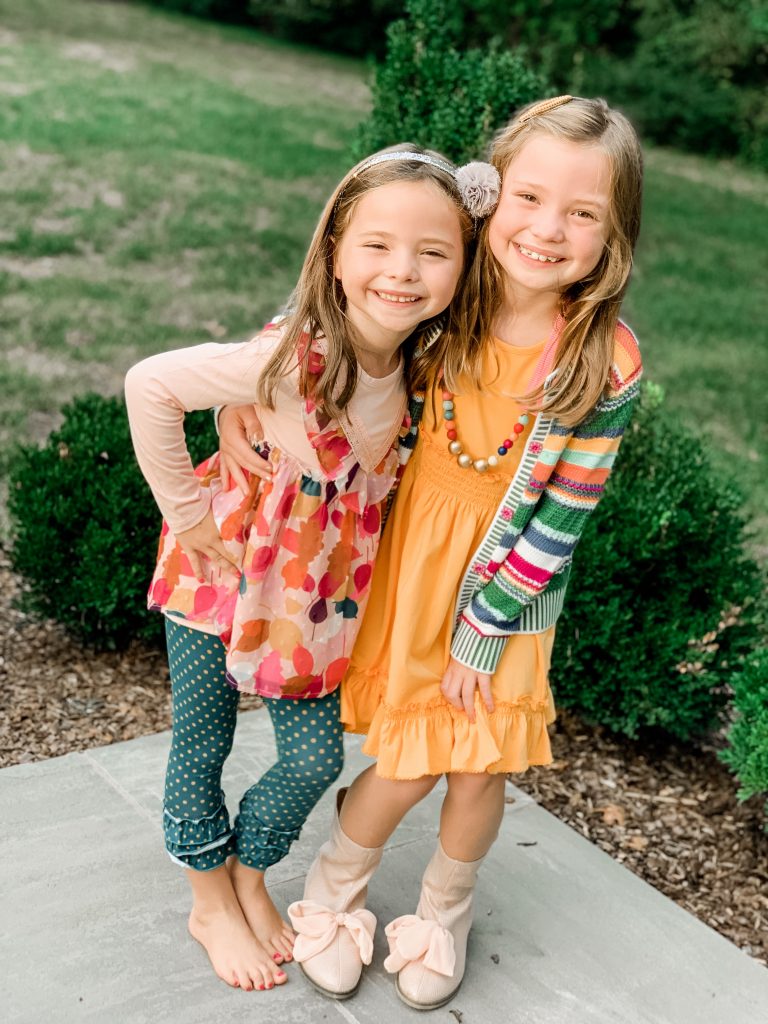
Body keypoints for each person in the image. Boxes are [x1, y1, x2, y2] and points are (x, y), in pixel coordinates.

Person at [218, 95, 644, 1007]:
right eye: (529, 198)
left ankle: (445, 910)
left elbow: (562, 518)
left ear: (614, 235)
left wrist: (485, 627)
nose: (547, 229)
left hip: (506, 591)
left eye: (583, 214)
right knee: (408, 759)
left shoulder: (602, 360)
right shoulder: (449, 296)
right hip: (409, 564)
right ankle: (336, 889)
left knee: (478, 762)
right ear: (492, 200)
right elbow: (329, 314)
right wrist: (238, 393)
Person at [124, 143, 477, 994]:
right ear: (333, 253)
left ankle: (251, 871)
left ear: (464, 268)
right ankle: (210, 899)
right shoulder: (294, 361)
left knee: (315, 759)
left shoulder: (421, 371)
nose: (403, 271)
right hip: (223, 573)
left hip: (312, 599)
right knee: (203, 736)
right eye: (377, 246)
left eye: (434, 252)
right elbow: (151, 384)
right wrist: (189, 515)